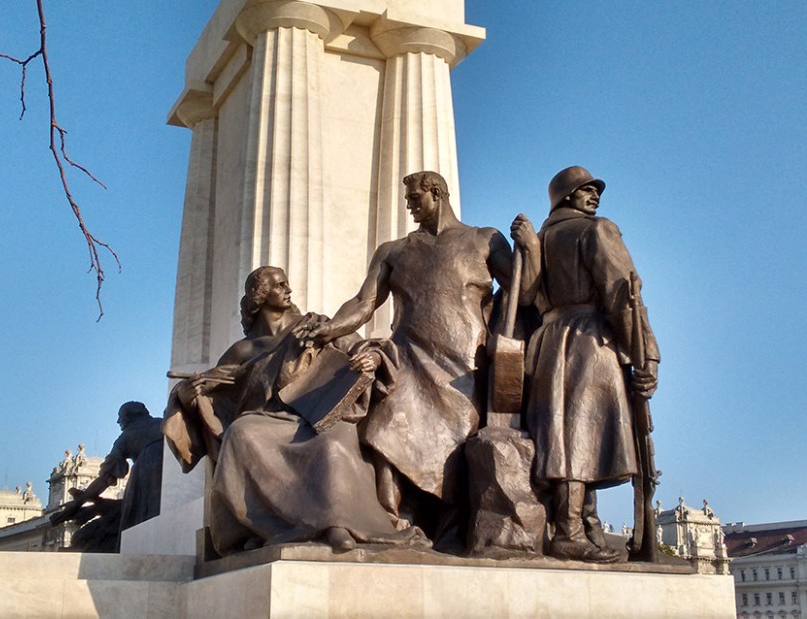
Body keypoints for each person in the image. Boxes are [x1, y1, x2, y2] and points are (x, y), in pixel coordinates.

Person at [295, 171, 540, 549]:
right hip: (407, 356)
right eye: (408, 199)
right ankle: (389, 520)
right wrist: (327, 330)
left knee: (457, 445)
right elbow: (363, 304)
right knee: (387, 424)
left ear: (437, 194)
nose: (409, 206)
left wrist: (532, 249)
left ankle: (450, 528)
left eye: (415, 198)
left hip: (464, 365)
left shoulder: (483, 239)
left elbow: (524, 294)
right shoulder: (395, 251)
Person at [164, 266, 425, 555]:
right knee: (240, 431)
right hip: (269, 421)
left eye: (286, 284)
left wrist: (372, 358)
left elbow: (363, 347)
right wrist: (188, 395)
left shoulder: (314, 325)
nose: (288, 290)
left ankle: (339, 525)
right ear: (260, 296)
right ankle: (265, 528)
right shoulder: (243, 351)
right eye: (279, 286)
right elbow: (215, 392)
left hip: (319, 417)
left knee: (333, 444)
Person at [517, 166, 659, 563]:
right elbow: (621, 293)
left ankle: (585, 528)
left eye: (596, 190)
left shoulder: (540, 239)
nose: (594, 195)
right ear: (565, 196)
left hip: (547, 343)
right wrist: (645, 352)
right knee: (580, 437)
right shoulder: (598, 230)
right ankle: (570, 532)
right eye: (584, 190)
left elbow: (526, 296)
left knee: (567, 435)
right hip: (589, 339)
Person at [50, 401, 163, 551]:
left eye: (120, 417)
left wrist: (77, 504)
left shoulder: (126, 437)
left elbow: (105, 479)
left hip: (145, 481)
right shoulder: (163, 424)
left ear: (129, 418)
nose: (118, 421)